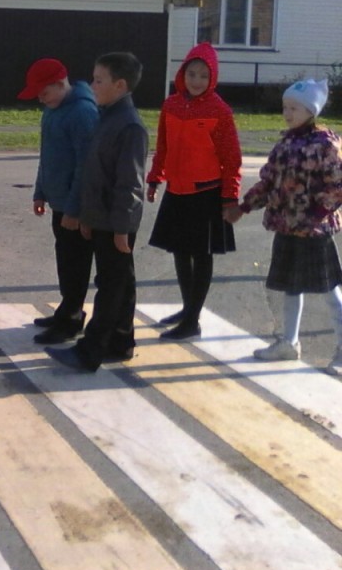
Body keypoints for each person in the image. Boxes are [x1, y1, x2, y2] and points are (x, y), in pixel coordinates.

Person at [226, 79, 342, 374]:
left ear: (311, 111)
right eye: (285, 107)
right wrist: (244, 207)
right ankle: (289, 343)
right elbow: (268, 183)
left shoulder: (326, 144)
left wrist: (318, 211)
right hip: (288, 227)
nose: (287, 113)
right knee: (292, 287)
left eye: (294, 108)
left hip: (314, 230)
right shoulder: (285, 143)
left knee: (330, 291)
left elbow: (337, 186)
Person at [46, 52, 148, 373]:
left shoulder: (129, 126)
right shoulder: (106, 117)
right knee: (120, 281)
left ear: (120, 85)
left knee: (112, 286)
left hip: (116, 221)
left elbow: (130, 183)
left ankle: (90, 351)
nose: (92, 86)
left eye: (99, 80)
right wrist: (88, 218)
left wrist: (121, 228)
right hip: (102, 218)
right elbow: (93, 173)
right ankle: (121, 340)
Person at [146, 42, 241, 340]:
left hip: (206, 193)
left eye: (203, 75)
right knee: (179, 251)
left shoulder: (220, 111)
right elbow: (163, 146)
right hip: (177, 190)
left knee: (201, 255)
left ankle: (192, 321)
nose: (196, 81)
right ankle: (189, 309)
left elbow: (232, 159)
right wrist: (155, 178)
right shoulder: (170, 105)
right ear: (182, 73)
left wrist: (230, 196)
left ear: (212, 78)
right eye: (191, 74)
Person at [18, 57, 99, 344]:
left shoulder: (82, 113)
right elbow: (48, 156)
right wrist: (40, 192)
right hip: (59, 202)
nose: (41, 99)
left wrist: (74, 210)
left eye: (44, 92)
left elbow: (85, 166)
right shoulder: (53, 110)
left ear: (60, 83)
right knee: (65, 260)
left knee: (75, 263)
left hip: (74, 207)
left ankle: (72, 319)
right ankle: (66, 309)